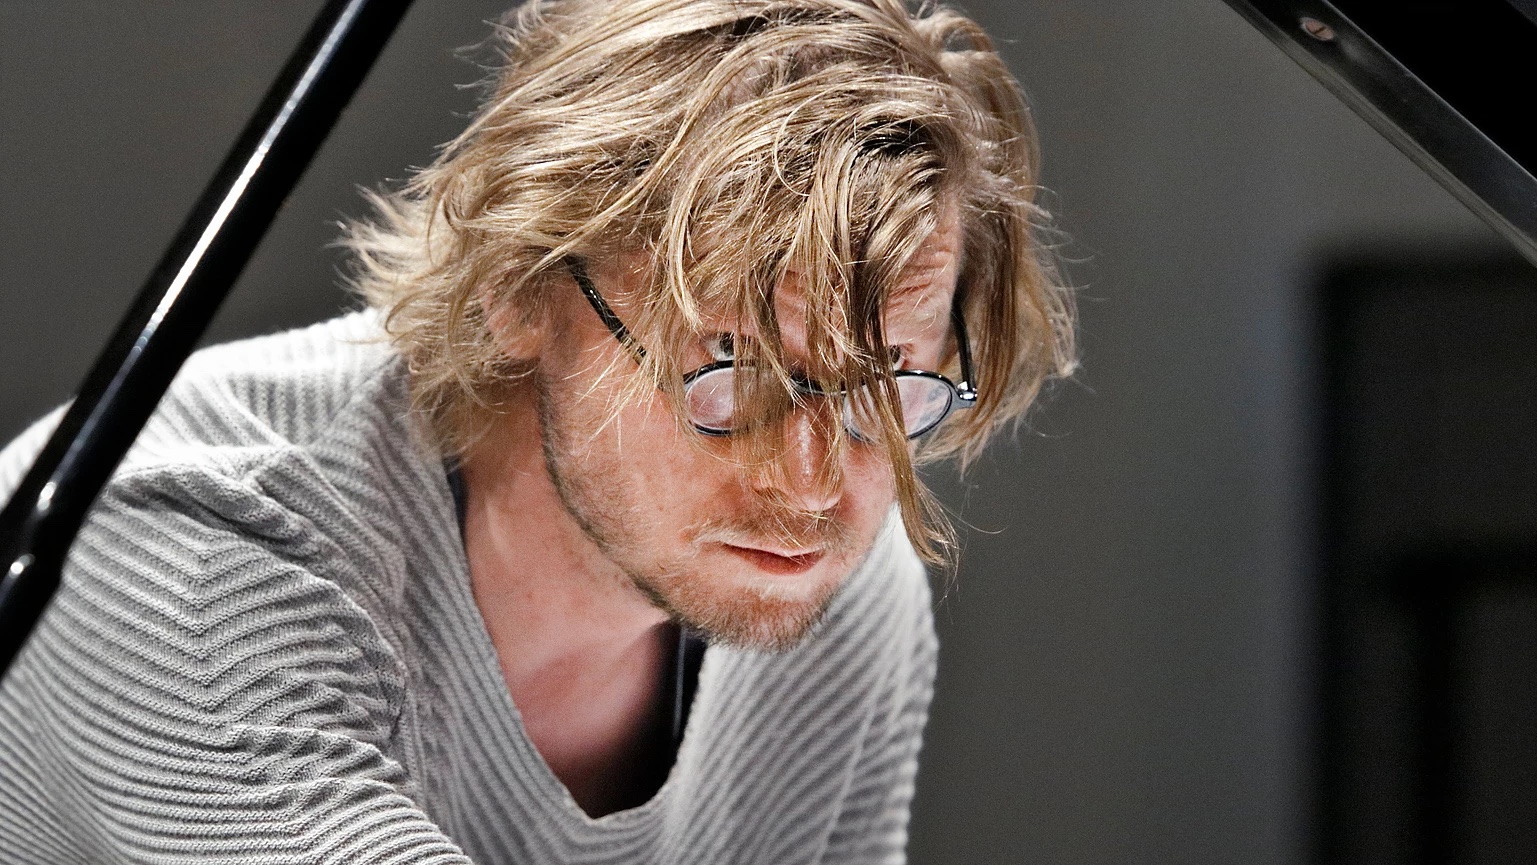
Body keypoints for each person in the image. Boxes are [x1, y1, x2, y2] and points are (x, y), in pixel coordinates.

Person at [0, 0, 1073, 861]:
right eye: (733, 365)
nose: (811, 483)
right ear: (519, 285)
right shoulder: (190, 559)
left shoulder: (834, 599)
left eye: (883, 384)